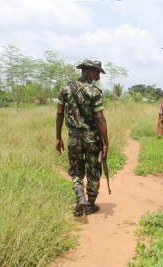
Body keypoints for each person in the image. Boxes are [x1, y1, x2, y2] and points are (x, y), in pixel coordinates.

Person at [55, 59, 109, 217]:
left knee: (76, 171)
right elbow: (99, 118)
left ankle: (80, 197)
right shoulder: (95, 91)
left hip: (73, 137)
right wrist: (106, 141)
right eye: (97, 72)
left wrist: (58, 137)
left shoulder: (65, 88)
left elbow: (59, 114)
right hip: (92, 138)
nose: (98, 76)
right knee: (94, 171)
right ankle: (90, 205)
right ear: (88, 71)